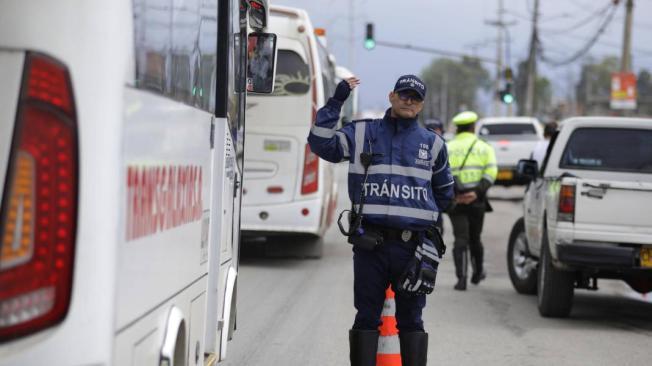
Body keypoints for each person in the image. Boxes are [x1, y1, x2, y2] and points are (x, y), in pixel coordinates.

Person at [308, 75, 454, 366]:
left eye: (414, 97)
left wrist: (420, 225)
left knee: (412, 321)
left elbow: (445, 195)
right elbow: (320, 143)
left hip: (412, 250)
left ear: (421, 104)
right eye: (403, 94)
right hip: (369, 246)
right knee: (366, 318)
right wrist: (336, 102)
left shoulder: (433, 144)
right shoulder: (362, 133)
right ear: (391, 96)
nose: (408, 100)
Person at [446, 111, 497, 291]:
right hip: (477, 201)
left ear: (457, 128)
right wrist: (476, 192)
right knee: (475, 238)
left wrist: (454, 194)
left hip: (455, 200)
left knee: (460, 238)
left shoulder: (448, 147)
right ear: (473, 127)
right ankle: (477, 272)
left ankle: (461, 279)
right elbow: (491, 173)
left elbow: (440, 174)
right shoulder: (484, 147)